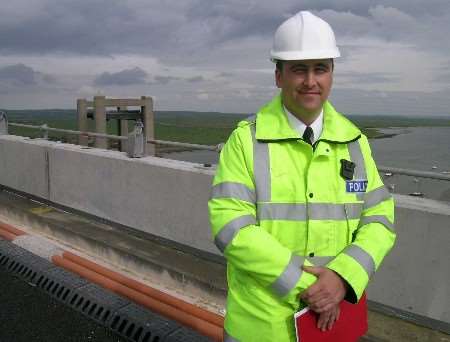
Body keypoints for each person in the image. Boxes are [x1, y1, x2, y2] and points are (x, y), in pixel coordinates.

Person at [208, 10, 396, 342]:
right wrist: (313, 287)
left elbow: (379, 218)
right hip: (261, 330)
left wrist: (342, 277)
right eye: (299, 69)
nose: (311, 81)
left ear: (332, 74)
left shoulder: (354, 143)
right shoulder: (246, 141)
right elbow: (231, 226)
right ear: (279, 76)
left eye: (320, 68)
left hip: (333, 329)